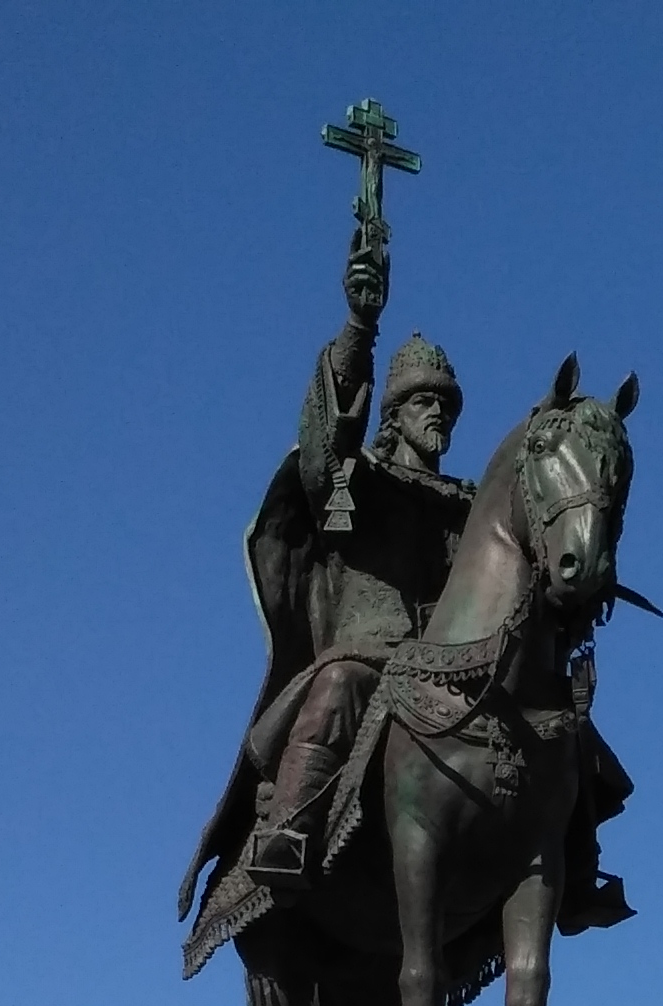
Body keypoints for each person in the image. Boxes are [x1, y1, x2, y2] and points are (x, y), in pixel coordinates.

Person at [181, 210, 471, 945]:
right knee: (338, 684)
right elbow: (324, 446)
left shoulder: (466, 508)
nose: (438, 415)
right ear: (396, 415)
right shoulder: (359, 483)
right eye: (424, 403)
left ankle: (577, 850)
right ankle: (289, 827)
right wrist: (358, 330)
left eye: (446, 405)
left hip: (449, 668)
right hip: (370, 660)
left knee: (553, 721)